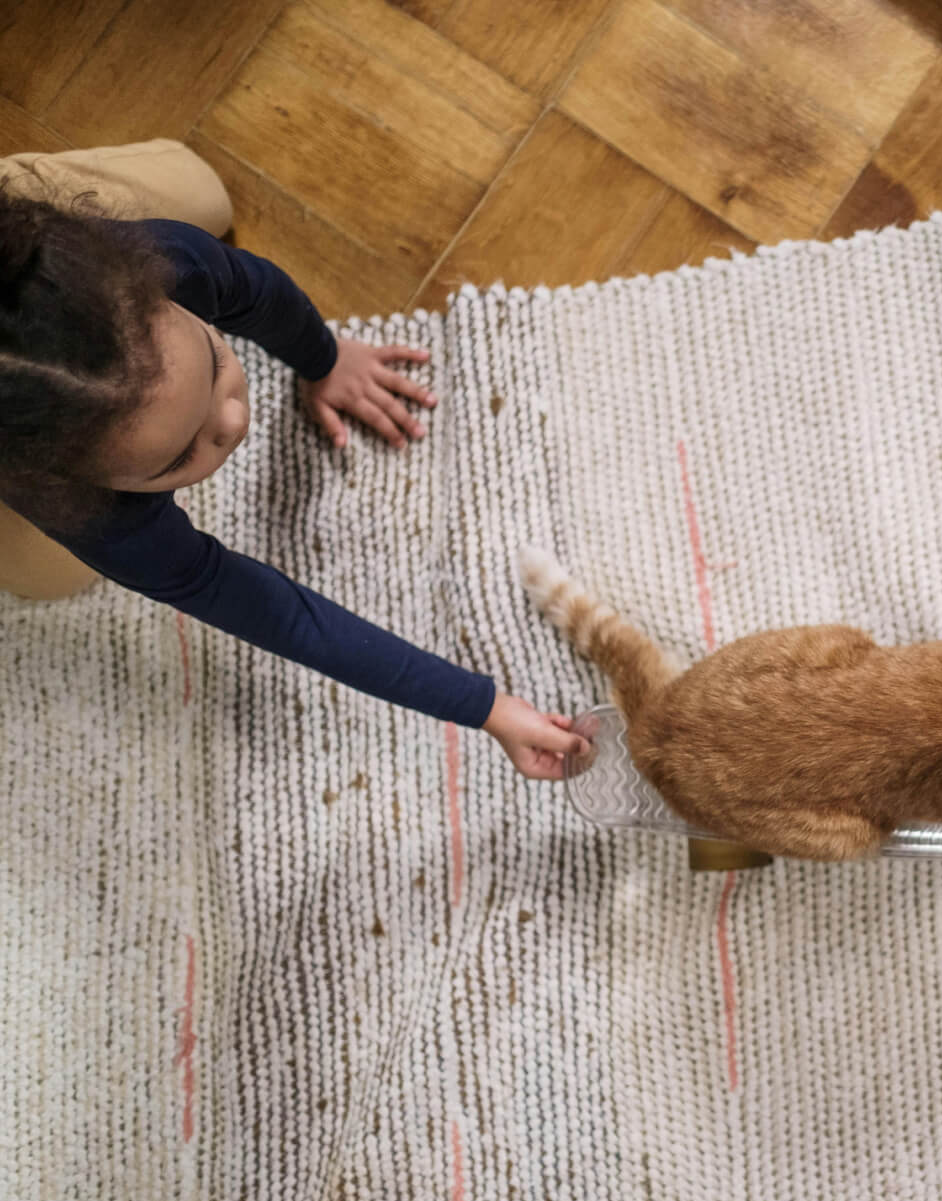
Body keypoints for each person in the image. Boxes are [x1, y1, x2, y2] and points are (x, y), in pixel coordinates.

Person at [0, 141, 581, 778]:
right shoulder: (99, 521)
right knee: (48, 579)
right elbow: (269, 611)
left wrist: (324, 358)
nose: (235, 420)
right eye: (180, 454)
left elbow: (257, 292)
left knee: (202, 196)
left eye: (216, 360)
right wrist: (483, 706)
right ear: (60, 482)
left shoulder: (166, 259)